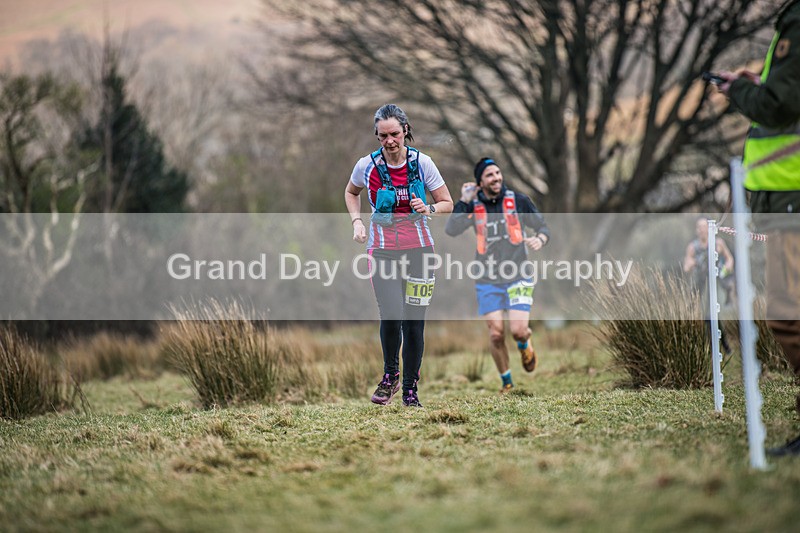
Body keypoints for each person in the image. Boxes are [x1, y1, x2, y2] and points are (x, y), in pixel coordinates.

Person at [719, 0, 800, 455]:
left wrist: (741, 94)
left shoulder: (797, 22)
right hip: (783, 198)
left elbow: (779, 103)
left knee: (788, 312)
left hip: (792, 197)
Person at [345, 104, 453, 407]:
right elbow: (351, 192)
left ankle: (410, 390)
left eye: (394, 134)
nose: (389, 141)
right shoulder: (366, 165)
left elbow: (447, 202)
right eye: (382, 136)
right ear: (377, 136)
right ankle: (390, 376)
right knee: (391, 316)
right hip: (381, 251)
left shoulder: (424, 163)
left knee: (414, 322)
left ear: (405, 130)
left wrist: (429, 208)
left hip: (419, 251)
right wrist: (356, 221)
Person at [445, 157, 550, 393]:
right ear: (480, 182)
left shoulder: (519, 200)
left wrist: (539, 239)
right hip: (487, 279)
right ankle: (507, 384)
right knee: (495, 334)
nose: (496, 178)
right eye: (490, 175)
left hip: (518, 274)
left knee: (518, 330)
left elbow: (543, 227)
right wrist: (464, 200)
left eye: (498, 173)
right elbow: (451, 229)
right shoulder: (473, 205)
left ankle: (525, 343)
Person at [683, 217, 736, 353]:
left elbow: (730, 259)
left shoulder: (718, 243)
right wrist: (692, 263)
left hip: (717, 281)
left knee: (713, 312)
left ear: (709, 228)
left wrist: (727, 267)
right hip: (701, 282)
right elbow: (686, 266)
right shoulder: (693, 247)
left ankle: (723, 345)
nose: (701, 230)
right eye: (699, 227)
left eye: (703, 227)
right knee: (706, 314)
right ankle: (716, 345)